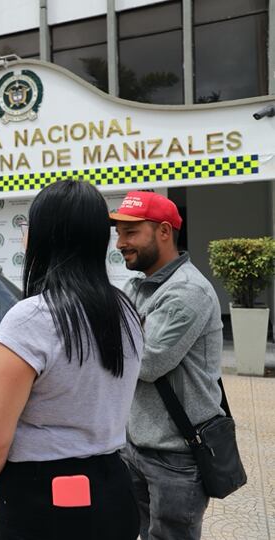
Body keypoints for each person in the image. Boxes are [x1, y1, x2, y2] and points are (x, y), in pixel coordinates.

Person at [0, 180, 144, 540]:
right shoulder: (125, 310)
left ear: (45, 236)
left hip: (44, 497)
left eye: (28, 227)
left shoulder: (31, 318)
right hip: (114, 486)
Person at [112, 191, 224, 540]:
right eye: (118, 232)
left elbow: (145, 364)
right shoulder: (138, 286)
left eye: (131, 232)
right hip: (135, 446)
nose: (120, 243)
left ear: (163, 232)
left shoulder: (187, 291)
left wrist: (119, 339)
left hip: (176, 456)